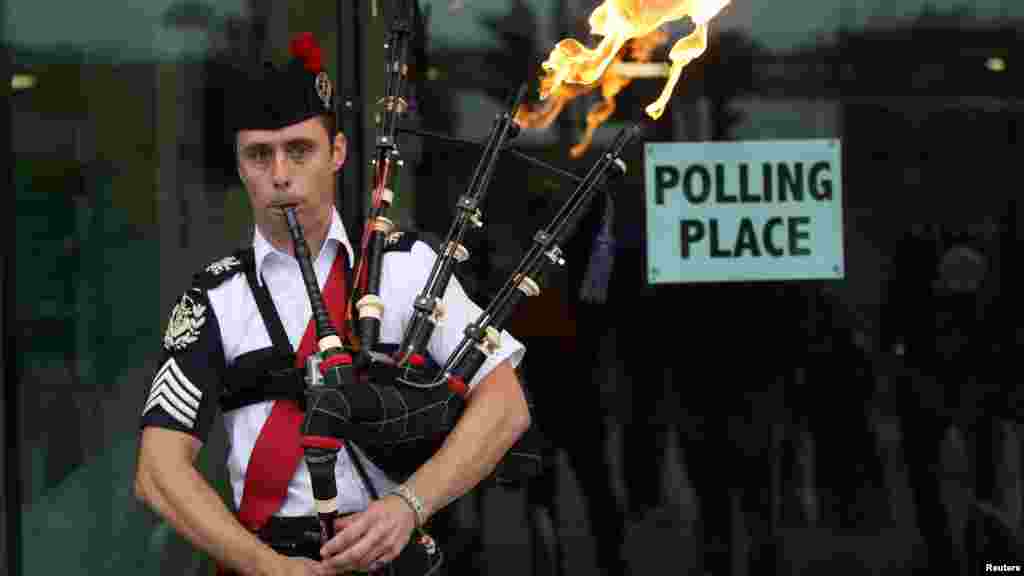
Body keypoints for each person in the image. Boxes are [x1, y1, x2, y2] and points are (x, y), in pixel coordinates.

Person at [134, 33, 530, 576]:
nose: (279, 174)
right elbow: (158, 470)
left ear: (337, 153)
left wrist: (408, 505)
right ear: (240, 165)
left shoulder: (410, 268)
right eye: (259, 154)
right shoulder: (213, 298)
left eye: (300, 150)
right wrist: (264, 565)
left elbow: (505, 405)